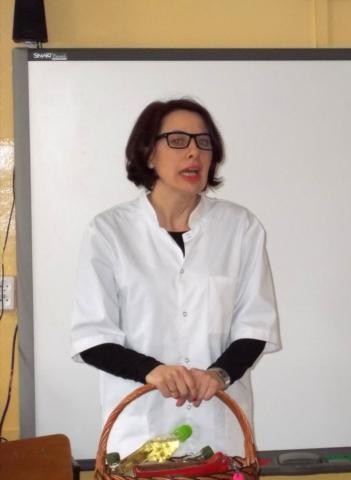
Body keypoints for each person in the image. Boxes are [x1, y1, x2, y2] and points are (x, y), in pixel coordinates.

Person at [70, 98, 280, 458]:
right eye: (178, 141)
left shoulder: (240, 227)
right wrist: (153, 372)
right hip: (140, 433)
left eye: (204, 142)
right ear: (149, 154)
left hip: (220, 434)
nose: (194, 152)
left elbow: (255, 326)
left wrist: (218, 375)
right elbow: (92, 337)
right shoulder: (108, 231)